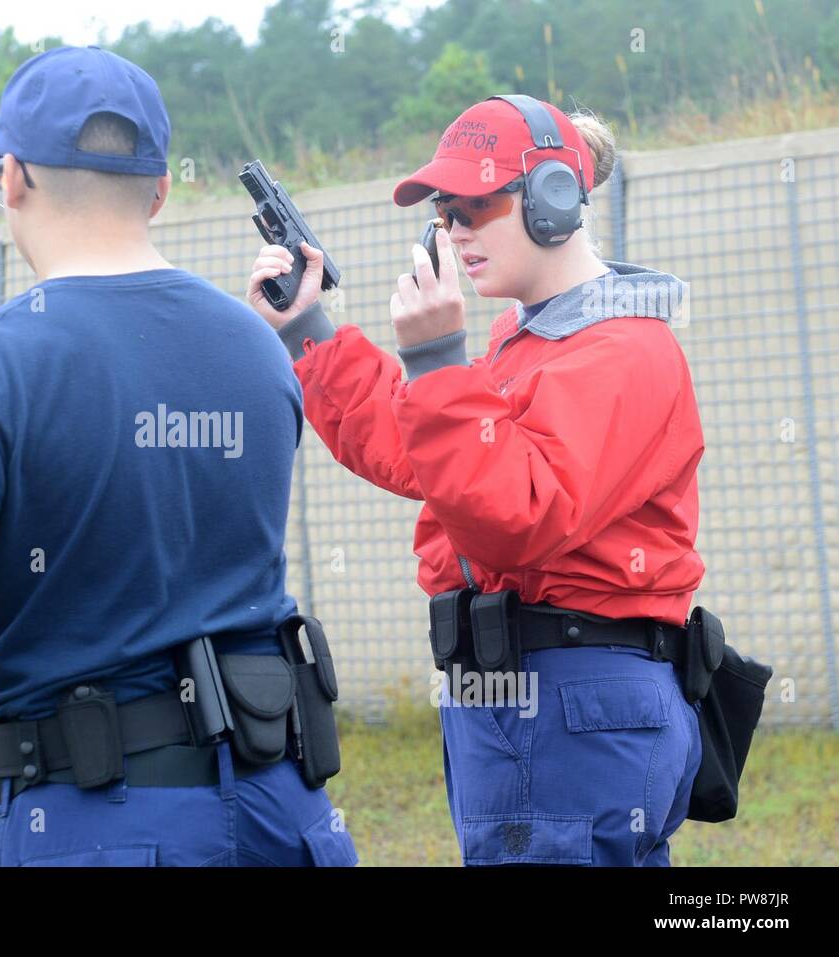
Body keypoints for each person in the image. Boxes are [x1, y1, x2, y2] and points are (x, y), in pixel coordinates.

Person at [0, 45, 357, 868]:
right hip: (284, 813)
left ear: (11, 179)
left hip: (90, 826)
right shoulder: (258, 346)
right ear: (158, 189)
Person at [246, 95, 704, 866]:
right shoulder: (526, 339)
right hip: (527, 690)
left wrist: (435, 359)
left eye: (477, 204)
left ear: (555, 200)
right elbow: (423, 449)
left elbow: (516, 513)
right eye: (446, 210)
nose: (455, 230)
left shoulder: (620, 351)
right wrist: (309, 331)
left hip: (566, 690)